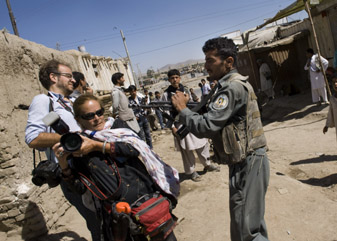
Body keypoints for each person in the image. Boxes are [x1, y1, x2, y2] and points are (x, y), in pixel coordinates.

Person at [171, 37, 270, 241]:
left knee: (247, 230)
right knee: (247, 223)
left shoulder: (231, 88)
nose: (205, 66)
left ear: (229, 62)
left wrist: (182, 110)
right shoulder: (225, 85)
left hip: (248, 163)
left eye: (210, 60)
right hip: (244, 162)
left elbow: (207, 126)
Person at [52, 94, 178, 241]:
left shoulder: (117, 127)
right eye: (89, 116)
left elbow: (133, 149)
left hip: (146, 201)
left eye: (99, 112)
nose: (97, 118)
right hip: (118, 215)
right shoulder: (77, 145)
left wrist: (97, 146)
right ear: (78, 119)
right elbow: (80, 188)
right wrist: (63, 164)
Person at [25, 60, 101, 240]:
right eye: (68, 75)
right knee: (97, 222)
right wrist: (73, 139)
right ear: (53, 77)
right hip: (72, 171)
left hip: (94, 165)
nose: (73, 80)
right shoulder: (44, 101)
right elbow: (33, 137)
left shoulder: (73, 100)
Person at [163, 69, 219, 182]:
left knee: (202, 143)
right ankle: (191, 171)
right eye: (172, 78)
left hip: (192, 119)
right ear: (169, 80)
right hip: (179, 123)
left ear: (180, 78)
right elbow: (166, 112)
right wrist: (173, 127)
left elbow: (196, 102)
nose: (174, 80)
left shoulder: (186, 90)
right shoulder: (166, 94)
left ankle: (207, 164)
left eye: (176, 77)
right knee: (186, 148)